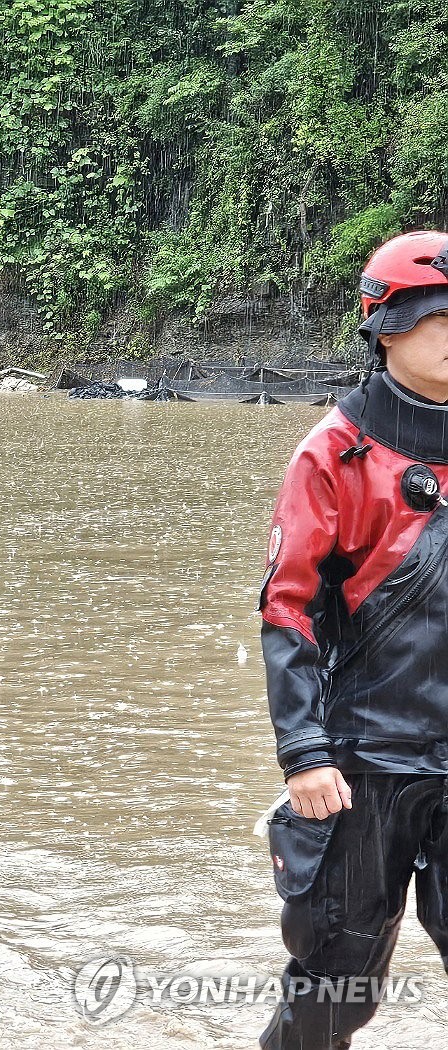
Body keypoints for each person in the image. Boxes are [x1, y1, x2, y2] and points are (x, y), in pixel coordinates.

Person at [258, 229, 448, 1048]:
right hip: (364, 762)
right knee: (336, 984)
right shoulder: (334, 452)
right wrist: (304, 751)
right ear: (388, 327)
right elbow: (287, 608)